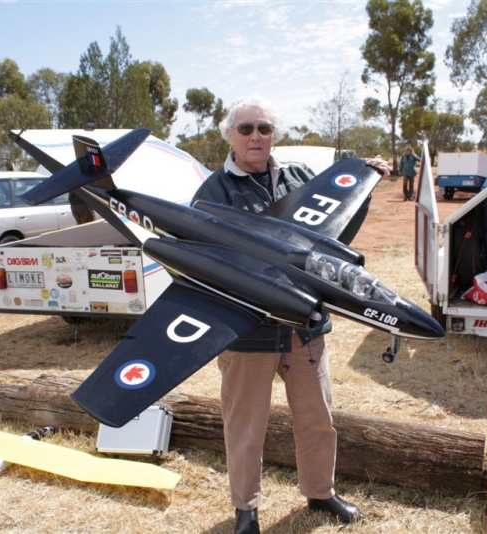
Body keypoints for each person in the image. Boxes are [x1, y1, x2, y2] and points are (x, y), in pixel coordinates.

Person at [191, 97, 389, 534]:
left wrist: (365, 188)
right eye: (245, 129)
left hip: (305, 329)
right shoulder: (212, 193)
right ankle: (246, 510)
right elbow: (206, 264)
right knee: (246, 427)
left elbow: (334, 237)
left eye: (263, 128)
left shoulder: (299, 179)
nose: (255, 137)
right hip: (247, 334)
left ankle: (321, 494)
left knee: (318, 419)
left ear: (274, 134)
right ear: (230, 136)